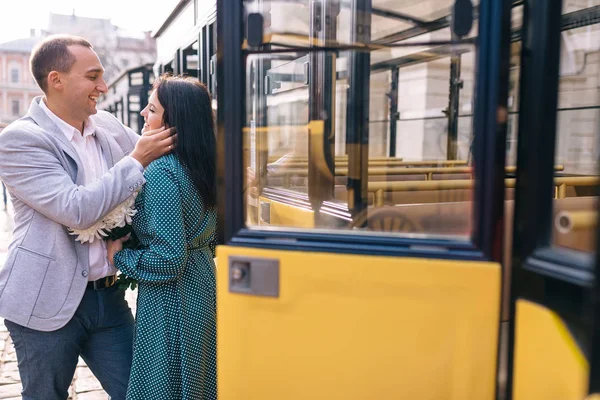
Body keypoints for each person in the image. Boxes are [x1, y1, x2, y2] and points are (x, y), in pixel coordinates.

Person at [0, 35, 176, 399]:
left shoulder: (108, 125)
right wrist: (136, 159)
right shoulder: (20, 140)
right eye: (93, 76)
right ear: (56, 80)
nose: (103, 86)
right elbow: (76, 210)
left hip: (108, 299)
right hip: (42, 302)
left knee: (141, 392)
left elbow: (160, 154)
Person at [107, 74, 217, 400]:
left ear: (174, 121)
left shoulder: (161, 172)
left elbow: (168, 260)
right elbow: (210, 239)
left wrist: (119, 255)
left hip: (171, 299)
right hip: (203, 286)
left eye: (152, 109)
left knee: (163, 385)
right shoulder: (202, 166)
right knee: (198, 380)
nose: (143, 113)